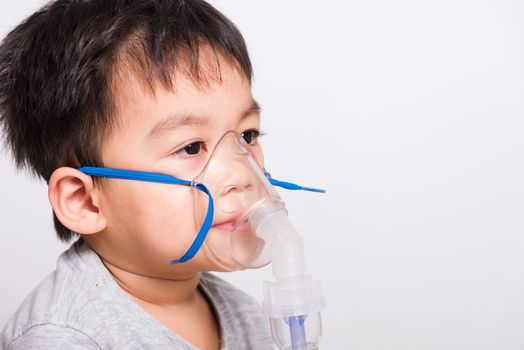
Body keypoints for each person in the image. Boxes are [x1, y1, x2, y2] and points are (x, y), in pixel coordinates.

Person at [0, 0, 277, 348]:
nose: (242, 173)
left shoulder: (248, 318)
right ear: (84, 201)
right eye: (191, 147)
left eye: (247, 136)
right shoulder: (62, 338)